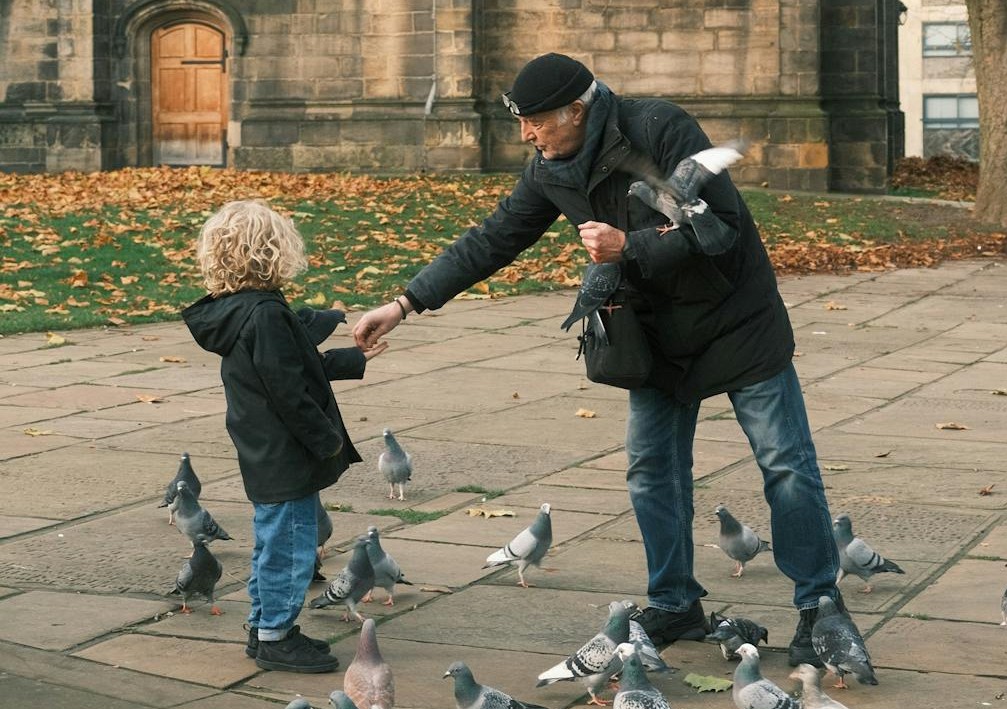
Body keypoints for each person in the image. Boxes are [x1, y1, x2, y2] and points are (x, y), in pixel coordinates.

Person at [352, 53, 844, 667]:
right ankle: (673, 602)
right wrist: (403, 303)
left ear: (576, 111)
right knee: (650, 471)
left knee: (786, 466)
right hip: (652, 339)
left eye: (536, 123)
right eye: (523, 124)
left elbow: (724, 227)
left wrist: (628, 245)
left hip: (735, 321)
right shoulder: (549, 168)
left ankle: (819, 607)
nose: (527, 136)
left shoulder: (661, 128)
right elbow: (494, 237)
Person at [183, 200, 386, 673]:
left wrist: (353, 360)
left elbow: (288, 368)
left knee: (274, 543)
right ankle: (275, 636)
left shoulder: (238, 312)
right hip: (285, 453)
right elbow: (289, 390)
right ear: (272, 252)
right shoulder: (266, 314)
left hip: (264, 450)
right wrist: (325, 439)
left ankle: (264, 628)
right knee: (291, 549)